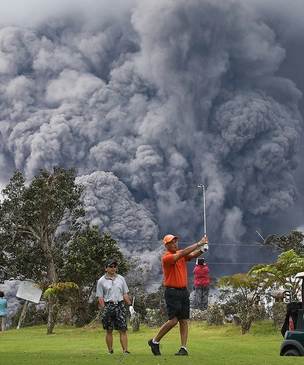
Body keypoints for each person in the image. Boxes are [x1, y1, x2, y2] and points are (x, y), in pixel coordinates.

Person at [148, 234, 209, 356]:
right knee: (173, 320)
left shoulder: (180, 253)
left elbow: (190, 255)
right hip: (172, 291)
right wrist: (199, 243)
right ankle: (155, 341)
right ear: (166, 245)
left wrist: (202, 250)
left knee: (183, 319)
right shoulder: (167, 257)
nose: (175, 244)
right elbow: (182, 254)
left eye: (175, 241)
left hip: (183, 291)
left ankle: (183, 348)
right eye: (171, 242)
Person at [96, 259, 135, 355]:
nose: (113, 268)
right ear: (106, 268)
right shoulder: (101, 281)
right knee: (109, 329)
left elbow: (124, 293)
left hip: (120, 305)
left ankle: (125, 350)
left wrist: (130, 305)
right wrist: (104, 309)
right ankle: (110, 350)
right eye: (111, 267)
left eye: (114, 266)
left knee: (122, 329)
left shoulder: (121, 278)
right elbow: (100, 297)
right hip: (108, 305)